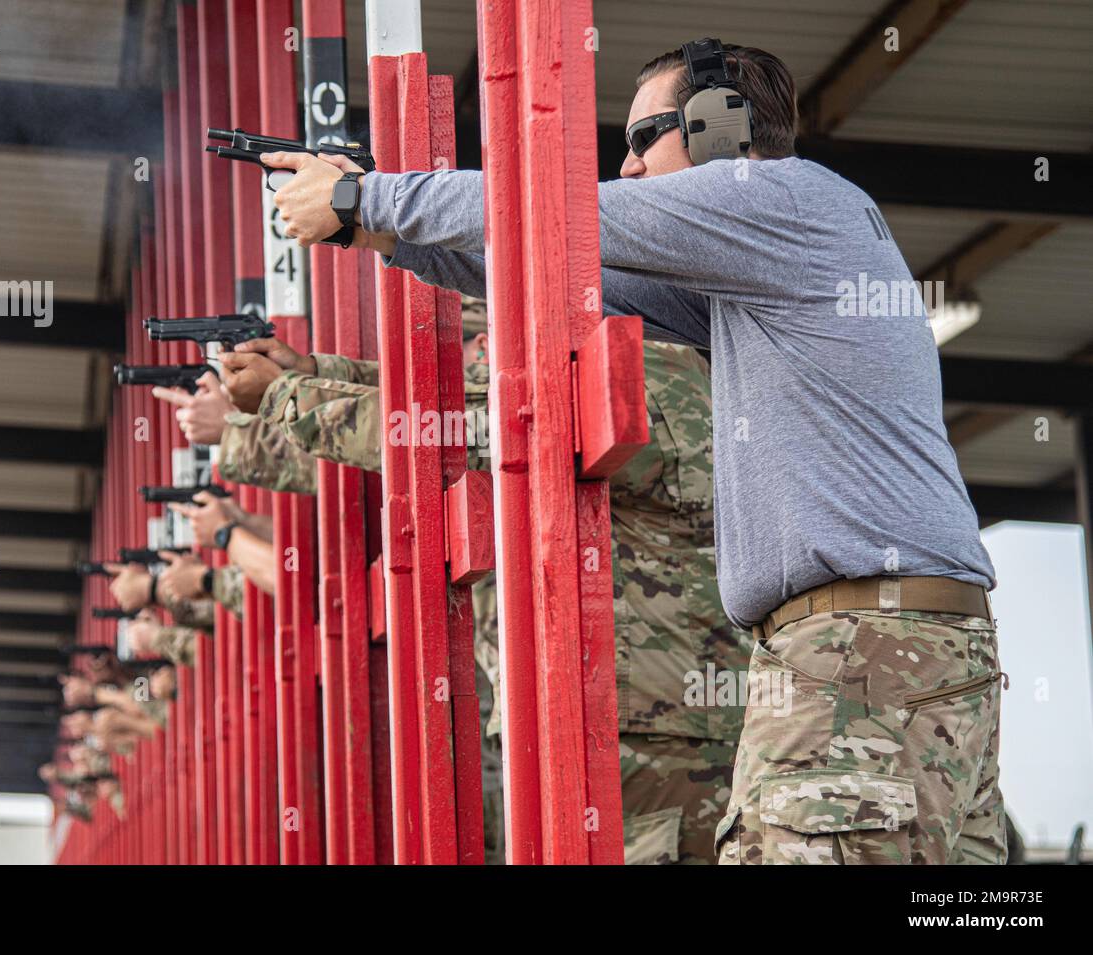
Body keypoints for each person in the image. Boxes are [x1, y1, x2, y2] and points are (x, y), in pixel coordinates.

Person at [266, 39, 1004, 865]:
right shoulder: (765, 250)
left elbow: (554, 214)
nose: (626, 167)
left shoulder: (771, 196)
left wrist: (365, 193)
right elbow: (547, 265)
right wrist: (372, 228)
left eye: (642, 136)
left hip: (861, 655)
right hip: (878, 652)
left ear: (720, 126)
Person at [220, 304, 751, 865]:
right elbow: (468, 410)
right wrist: (312, 371)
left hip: (659, 732)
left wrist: (289, 396)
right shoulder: (656, 361)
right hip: (634, 719)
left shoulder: (651, 371)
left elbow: (484, 431)